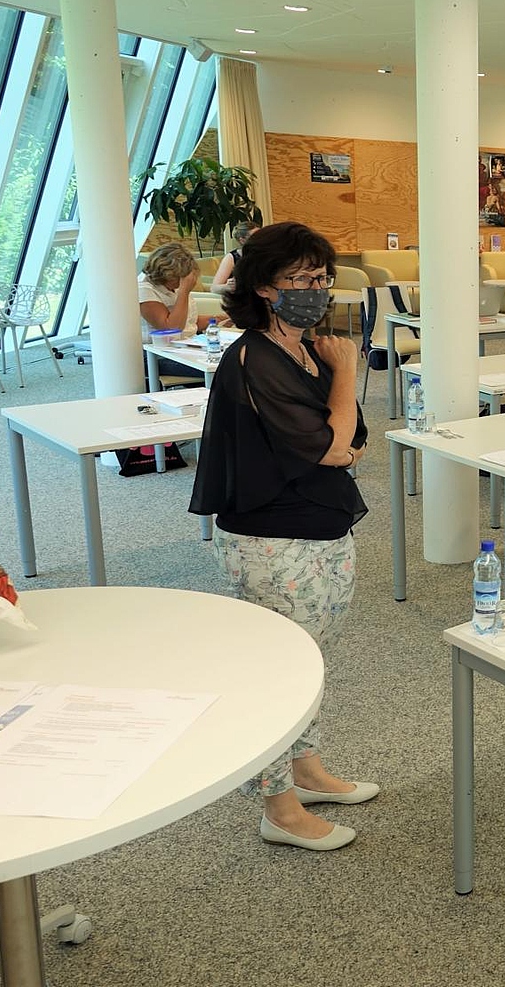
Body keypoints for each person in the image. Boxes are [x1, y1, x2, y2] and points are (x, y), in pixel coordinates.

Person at [189, 221, 376, 852]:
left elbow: (353, 437)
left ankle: (307, 770)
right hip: (273, 540)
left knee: (311, 661)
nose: (315, 289)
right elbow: (334, 448)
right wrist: (346, 374)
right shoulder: (255, 359)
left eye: (321, 277)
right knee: (278, 672)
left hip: (319, 526)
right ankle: (279, 808)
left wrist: (340, 423)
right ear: (264, 287)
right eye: (299, 278)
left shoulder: (302, 348)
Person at [138, 242, 204, 379]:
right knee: (225, 369)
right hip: (157, 354)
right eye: (179, 278)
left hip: (185, 347)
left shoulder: (173, 288)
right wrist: (184, 291)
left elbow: (189, 322)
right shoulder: (144, 290)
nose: (181, 282)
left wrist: (219, 319)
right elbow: (172, 329)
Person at [210, 221, 258, 292]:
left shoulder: (266, 254)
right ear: (242, 240)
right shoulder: (231, 257)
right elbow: (214, 288)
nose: (261, 238)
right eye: (255, 236)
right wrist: (227, 287)